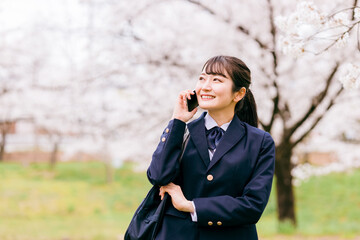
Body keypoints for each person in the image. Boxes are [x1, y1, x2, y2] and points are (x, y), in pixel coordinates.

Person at [147, 55, 275, 240]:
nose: (205, 86)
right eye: (202, 78)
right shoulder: (181, 131)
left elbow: (253, 206)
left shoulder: (260, 141)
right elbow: (158, 176)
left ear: (238, 94)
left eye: (216, 80)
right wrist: (177, 121)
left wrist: (191, 206)